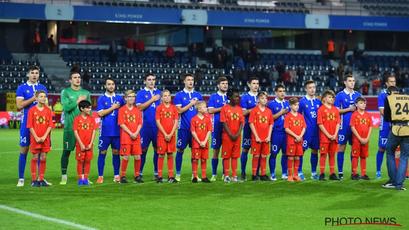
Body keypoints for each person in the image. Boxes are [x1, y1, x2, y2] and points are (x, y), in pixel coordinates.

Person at [16, 65, 48, 187]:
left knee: (41, 152)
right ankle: (21, 178)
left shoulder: (42, 87)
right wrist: (33, 98)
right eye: (32, 73)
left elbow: (45, 106)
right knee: (24, 150)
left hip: (41, 125)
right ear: (28, 74)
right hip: (26, 124)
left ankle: (39, 179)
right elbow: (19, 106)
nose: (34, 75)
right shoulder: (22, 88)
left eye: (36, 73)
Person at [60, 70, 91, 185]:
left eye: (79, 77)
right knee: (66, 152)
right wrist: (78, 102)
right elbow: (66, 108)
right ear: (70, 80)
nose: (77, 79)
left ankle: (83, 177)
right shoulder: (65, 92)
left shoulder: (86, 93)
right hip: (69, 128)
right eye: (75, 77)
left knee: (85, 153)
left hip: (84, 130)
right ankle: (64, 176)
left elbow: (89, 111)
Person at [173, 73, 203, 182]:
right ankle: (177, 174)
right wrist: (191, 104)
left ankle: (194, 175)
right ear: (184, 82)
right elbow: (178, 111)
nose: (190, 82)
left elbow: (202, 111)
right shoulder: (179, 95)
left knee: (195, 152)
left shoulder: (198, 95)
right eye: (188, 80)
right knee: (180, 150)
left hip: (196, 129)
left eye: (192, 80)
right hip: (184, 128)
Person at [96, 78, 125, 184]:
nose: (111, 86)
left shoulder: (119, 98)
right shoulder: (101, 99)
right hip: (105, 131)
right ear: (105, 86)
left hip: (117, 131)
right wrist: (113, 107)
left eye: (113, 84)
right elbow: (100, 113)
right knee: (102, 152)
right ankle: (100, 176)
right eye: (109, 84)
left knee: (116, 153)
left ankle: (117, 175)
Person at [334, 74, 362, 179]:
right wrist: (348, 109)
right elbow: (336, 111)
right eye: (350, 81)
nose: (352, 82)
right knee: (341, 147)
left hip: (355, 127)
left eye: (353, 81)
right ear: (345, 82)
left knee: (355, 149)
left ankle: (354, 173)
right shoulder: (340, 95)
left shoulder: (358, 95)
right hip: (343, 126)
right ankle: (340, 173)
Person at [382, 86, 409, 191]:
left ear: (389, 92)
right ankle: (399, 184)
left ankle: (393, 181)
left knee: (389, 152)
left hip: (396, 129)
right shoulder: (407, 97)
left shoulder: (389, 99)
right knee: (404, 157)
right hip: (407, 129)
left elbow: (387, 117)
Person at [136, 73, 161, 180]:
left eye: (153, 79)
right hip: (145, 127)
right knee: (142, 150)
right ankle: (139, 173)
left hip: (158, 127)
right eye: (149, 79)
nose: (151, 81)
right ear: (145, 81)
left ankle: (157, 174)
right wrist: (152, 100)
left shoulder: (159, 92)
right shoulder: (141, 93)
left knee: (158, 150)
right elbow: (139, 108)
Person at [26, 90, 54, 187]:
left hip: (45, 138)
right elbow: (30, 125)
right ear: (36, 98)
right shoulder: (32, 110)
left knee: (43, 157)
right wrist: (37, 137)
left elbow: (50, 125)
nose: (43, 98)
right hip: (35, 138)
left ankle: (41, 179)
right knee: (35, 157)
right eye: (41, 96)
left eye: (44, 96)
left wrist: (44, 136)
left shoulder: (48, 110)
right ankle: (34, 180)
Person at [118, 90, 143, 184]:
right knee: (126, 157)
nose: (131, 98)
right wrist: (131, 133)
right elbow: (121, 124)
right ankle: (122, 176)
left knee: (137, 156)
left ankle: (137, 176)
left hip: (136, 136)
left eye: (133, 96)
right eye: (129, 96)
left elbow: (140, 123)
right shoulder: (122, 110)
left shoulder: (137, 110)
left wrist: (136, 133)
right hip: (126, 137)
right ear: (125, 98)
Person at [298, 80, 321, 180]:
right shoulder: (302, 102)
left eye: (314, 87)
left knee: (315, 151)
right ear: (306, 89)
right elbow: (297, 116)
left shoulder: (318, 102)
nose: (312, 89)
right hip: (306, 132)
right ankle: (299, 172)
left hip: (316, 131)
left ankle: (313, 172)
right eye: (310, 87)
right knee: (301, 151)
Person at [220, 89, 244, 183]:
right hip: (227, 137)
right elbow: (224, 123)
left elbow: (242, 122)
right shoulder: (225, 108)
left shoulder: (239, 109)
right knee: (226, 156)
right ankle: (226, 176)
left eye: (238, 96)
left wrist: (237, 134)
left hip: (237, 137)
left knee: (235, 156)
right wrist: (231, 135)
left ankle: (234, 176)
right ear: (230, 98)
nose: (238, 98)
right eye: (236, 96)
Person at [208, 76, 229, 181]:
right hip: (216, 127)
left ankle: (225, 174)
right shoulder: (213, 97)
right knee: (216, 151)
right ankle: (214, 174)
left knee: (226, 151)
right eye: (223, 83)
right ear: (218, 85)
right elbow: (210, 111)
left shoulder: (230, 97)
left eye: (226, 83)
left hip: (228, 128)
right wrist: (223, 108)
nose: (225, 85)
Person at [249, 91, 273, 181]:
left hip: (266, 137)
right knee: (256, 156)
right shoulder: (254, 110)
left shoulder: (269, 111)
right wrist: (256, 136)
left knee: (264, 156)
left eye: (266, 98)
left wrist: (269, 136)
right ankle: (254, 174)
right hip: (257, 138)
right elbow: (251, 123)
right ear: (258, 99)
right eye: (262, 98)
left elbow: (271, 124)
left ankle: (263, 174)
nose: (264, 100)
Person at [155, 90, 178, 183]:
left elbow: (176, 122)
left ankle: (171, 176)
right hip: (162, 135)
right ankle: (159, 176)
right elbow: (158, 121)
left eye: (168, 95)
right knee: (161, 154)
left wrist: (171, 133)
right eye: (165, 96)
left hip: (171, 135)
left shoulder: (174, 108)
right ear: (162, 98)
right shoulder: (159, 108)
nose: (167, 97)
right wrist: (165, 134)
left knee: (170, 154)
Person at [268, 84, 290, 180]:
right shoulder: (271, 104)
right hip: (276, 133)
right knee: (274, 153)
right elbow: (269, 118)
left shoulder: (287, 103)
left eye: (283, 91)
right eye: (280, 91)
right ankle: (272, 173)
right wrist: (280, 113)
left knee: (285, 153)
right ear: (276, 92)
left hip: (286, 133)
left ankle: (284, 173)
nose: (282, 93)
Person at [317, 90, 341, 181]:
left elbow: (338, 123)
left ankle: (332, 173)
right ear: (324, 98)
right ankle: (322, 173)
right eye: (330, 97)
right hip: (324, 137)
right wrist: (328, 134)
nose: (332, 99)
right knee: (323, 155)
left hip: (334, 136)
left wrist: (335, 134)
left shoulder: (335, 110)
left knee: (332, 155)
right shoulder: (321, 109)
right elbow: (320, 124)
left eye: (332, 97)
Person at [376, 74, 396, 179]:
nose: (393, 83)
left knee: (397, 149)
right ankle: (378, 171)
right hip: (385, 125)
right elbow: (382, 111)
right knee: (382, 148)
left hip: (397, 126)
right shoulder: (382, 95)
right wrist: (394, 118)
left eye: (394, 81)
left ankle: (398, 172)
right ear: (387, 83)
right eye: (391, 82)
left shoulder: (398, 94)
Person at [240, 77, 259, 181]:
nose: (256, 85)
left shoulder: (261, 96)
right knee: (246, 149)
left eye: (257, 83)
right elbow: (243, 113)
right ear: (249, 84)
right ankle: (243, 172)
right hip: (248, 126)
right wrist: (255, 108)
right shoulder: (245, 97)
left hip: (260, 127)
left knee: (258, 151)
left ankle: (256, 172)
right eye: (254, 83)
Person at [73, 100, 97, 186]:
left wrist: (91, 143)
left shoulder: (91, 119)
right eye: (87, 108)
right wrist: (81, 144)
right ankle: (80, 178)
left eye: (90, 107)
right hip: (80, 145)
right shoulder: (77, 119)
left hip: (89, 144)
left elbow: (94, 131)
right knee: (80, 161)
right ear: (82, 108)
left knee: (87, 161)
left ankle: (86, 178)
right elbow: (75, 132)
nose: (89, 109)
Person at [284, 98, 306, 182]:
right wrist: (296, 136)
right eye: (294, 105)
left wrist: (300, 136)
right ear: (290, 106)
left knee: (297, 157)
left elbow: (304, 127)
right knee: (290, 157)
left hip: (299, 140)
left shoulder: (301, 116)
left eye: (297, 105)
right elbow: (286, 129)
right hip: (291, 140)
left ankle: (295, 175)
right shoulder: (288, 116)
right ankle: (289, 175)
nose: (297, 107)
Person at [350, 97, 372, 180]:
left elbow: (370, 127)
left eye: (364, 103)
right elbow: (352, 127)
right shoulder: (354, 115)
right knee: (355, 156)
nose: (363, 105)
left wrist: (367, 138)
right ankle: (354, 173)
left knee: (363, 156)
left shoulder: (368, 115)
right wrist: (359, 138)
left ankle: (363, 174)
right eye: (361, 103)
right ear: (356, 104)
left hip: (366, 139)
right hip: (356, 140)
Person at [190, 101, 212, 183]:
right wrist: (199, 142)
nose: (206, 108)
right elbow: (193, 132)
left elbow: (209, 130)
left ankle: (204, 176)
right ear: (199, 109)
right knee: (195, 159)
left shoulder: (207, 119)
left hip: (205, 143)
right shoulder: (193, 119)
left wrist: (205, 141)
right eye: (204, 107)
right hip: (196, 143)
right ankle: (195, 177)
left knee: (204, 159)